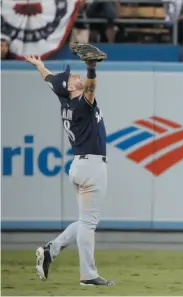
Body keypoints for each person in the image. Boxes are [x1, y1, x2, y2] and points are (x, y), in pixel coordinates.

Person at [24, 55, 114, 286]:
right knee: (89, 223)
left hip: (79, 165)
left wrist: (40, 66)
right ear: (71, 88)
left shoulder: (65, 99)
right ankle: (88, 275)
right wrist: (91, 67)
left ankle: (50, 250)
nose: (75, 76)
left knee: (85, 221)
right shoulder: (82, 103)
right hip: (92, 166)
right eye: (72, 77)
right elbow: (92, 86)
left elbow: (50, 79)